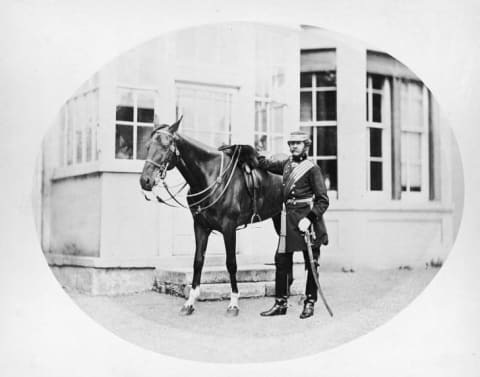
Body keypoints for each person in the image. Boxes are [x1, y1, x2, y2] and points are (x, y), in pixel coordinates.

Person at [258, 130, 329, 319]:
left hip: (308, 222)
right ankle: (280, 303)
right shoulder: (286, 164)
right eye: (291, 143)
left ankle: (310, 302)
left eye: (297, 143)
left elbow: (323, 200)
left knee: (311, 263)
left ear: (306, 145)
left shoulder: (312, 168)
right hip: (288, 219)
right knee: (281, 261)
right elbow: (264, 164)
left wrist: (309, 218)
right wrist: (256, 151)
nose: (293, 146)